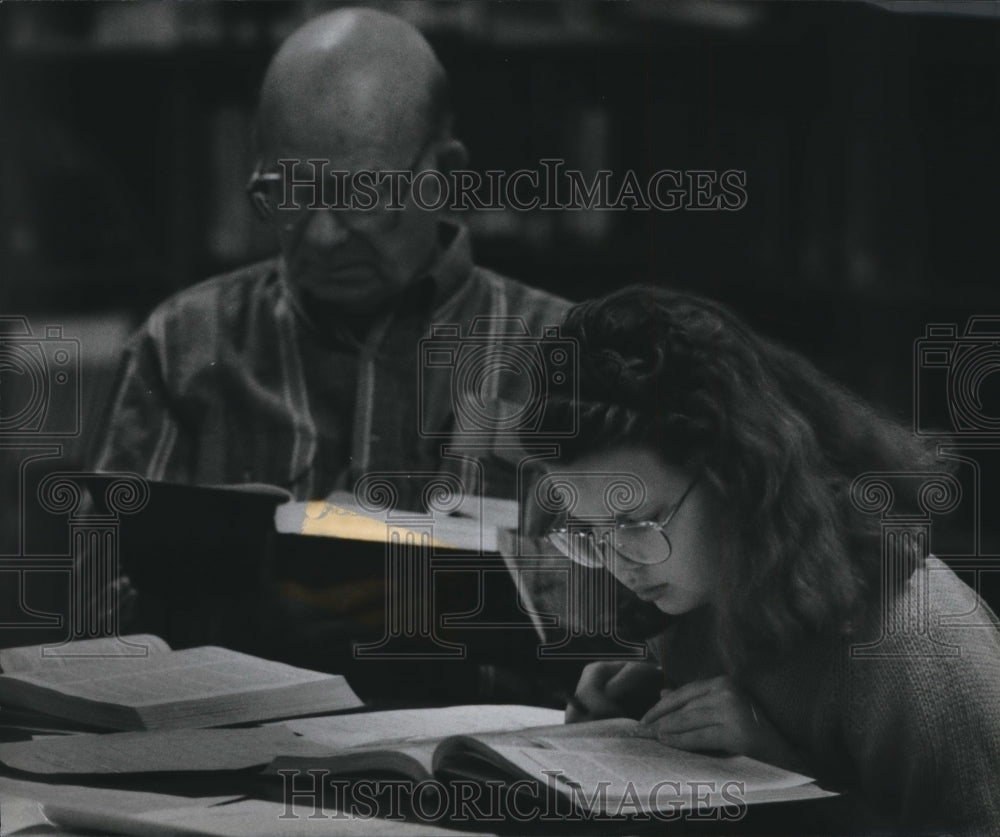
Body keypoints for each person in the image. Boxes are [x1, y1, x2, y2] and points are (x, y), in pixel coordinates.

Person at [89, 8, 569, 692]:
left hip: (483, 744)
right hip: (235, 739)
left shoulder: (564, 354)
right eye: (288, 194)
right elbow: (98, 619)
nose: (319, 236)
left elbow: (639, 621)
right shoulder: (183, 346)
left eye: (360, 194)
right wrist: (256, 616)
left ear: (448, 174)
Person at [532, 286, 1000, 834]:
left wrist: (783, 771)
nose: (618, 562)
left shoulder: (916, 640)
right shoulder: (700, 588)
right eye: (588, 530)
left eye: (637, 521)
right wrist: (639, 726)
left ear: (739, 478)